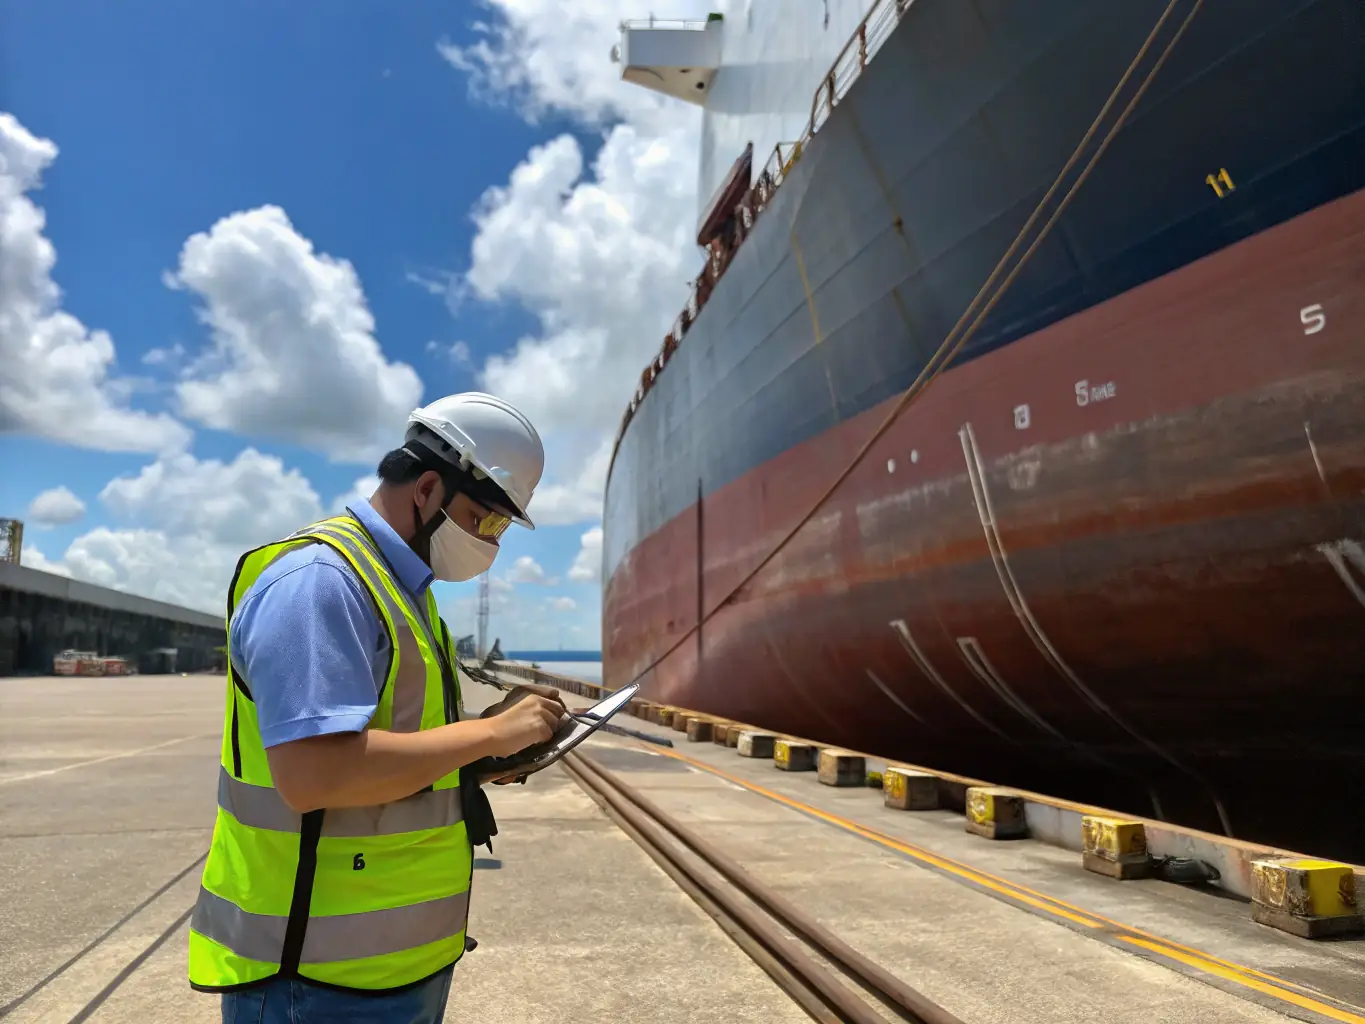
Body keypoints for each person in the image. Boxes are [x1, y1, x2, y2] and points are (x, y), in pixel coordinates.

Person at [187, 392, 568, 1024]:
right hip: (310, 981)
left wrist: (481, 751)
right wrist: (486, 735)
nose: (490, 542)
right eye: (485, 520)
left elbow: (392, 752)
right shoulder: (321, 583)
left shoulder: (406, 593)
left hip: (390, 970)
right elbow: (315, 775)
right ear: (427, 489)